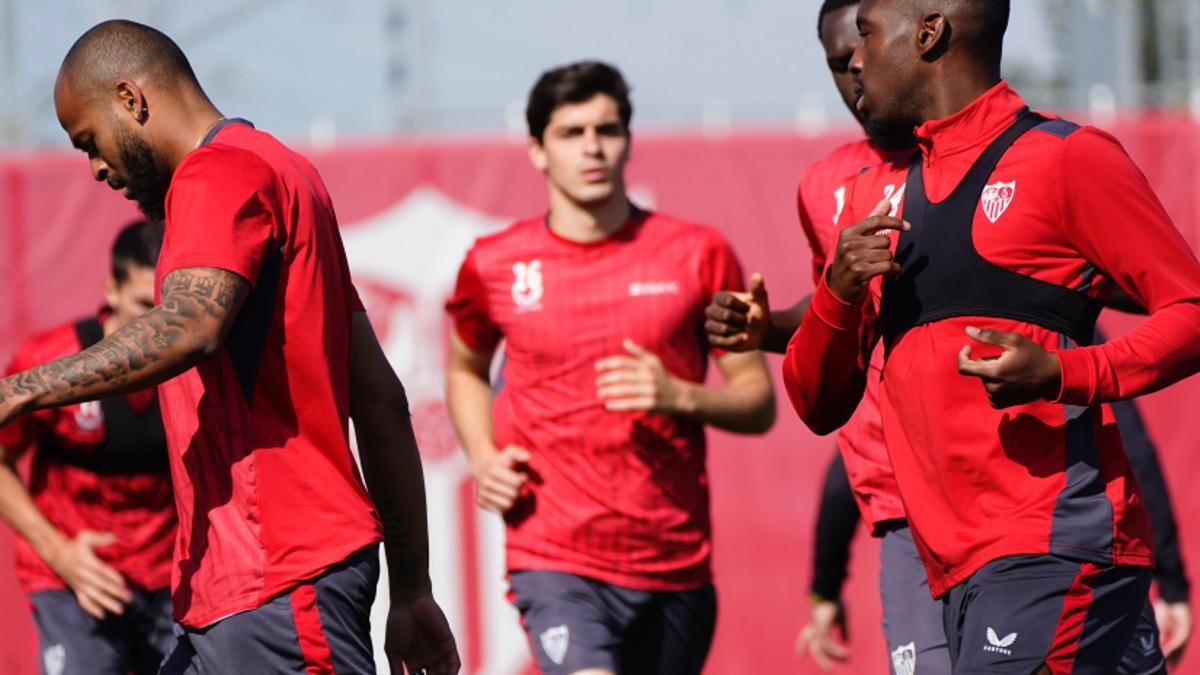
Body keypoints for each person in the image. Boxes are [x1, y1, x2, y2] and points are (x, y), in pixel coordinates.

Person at [0, 20, 458, 675]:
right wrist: (412, 588)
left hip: (279, 581)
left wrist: (19, 389)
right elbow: (380, 399)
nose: (98, 168)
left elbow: (191, 325)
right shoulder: (291, 175)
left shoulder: (217, 174)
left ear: (131, 100)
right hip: (240, 591)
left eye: (89, 142)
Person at [782, 0, 1200, 672]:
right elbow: (814, 403)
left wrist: (1071, 373)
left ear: (929, 32)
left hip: (1050, 547)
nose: (855, 62)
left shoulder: (1067, 157)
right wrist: (838, 290)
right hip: (953, 565)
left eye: (865, 35)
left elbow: (1192, 309)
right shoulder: (872, 200)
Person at [444, 61, 775, 675]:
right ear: (537, 151)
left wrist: (680, 395)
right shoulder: (495, 264)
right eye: (571, 133)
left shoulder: (698, 253)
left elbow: (757, 402)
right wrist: (482, 456)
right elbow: (465, 367)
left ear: (628, 139)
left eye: (608, 129)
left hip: (675, 563)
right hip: (554, 556)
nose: (592, 147)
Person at [0, 220, 175, 675]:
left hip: (173, 580)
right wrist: (58, 552)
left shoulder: (200, 363)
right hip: (73, 581)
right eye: (143, 305)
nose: (157, 327)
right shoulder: (51, 362)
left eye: (169, 311)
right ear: (111, 289)